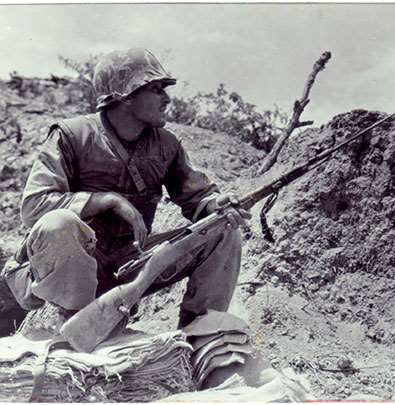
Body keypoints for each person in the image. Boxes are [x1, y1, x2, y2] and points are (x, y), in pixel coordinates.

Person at [8, 48, 250, 334]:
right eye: (156, 89)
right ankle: (77, 325)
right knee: (58, 223)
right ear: (126, 94)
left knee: (221, 228)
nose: (167, 99)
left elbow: (197, 198)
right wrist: (107, 201)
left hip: (131, 262)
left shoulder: (167, 145)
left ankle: (202, 337)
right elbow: (34, 206)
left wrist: (215, 205)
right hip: (78, 266)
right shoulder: (71, 136)